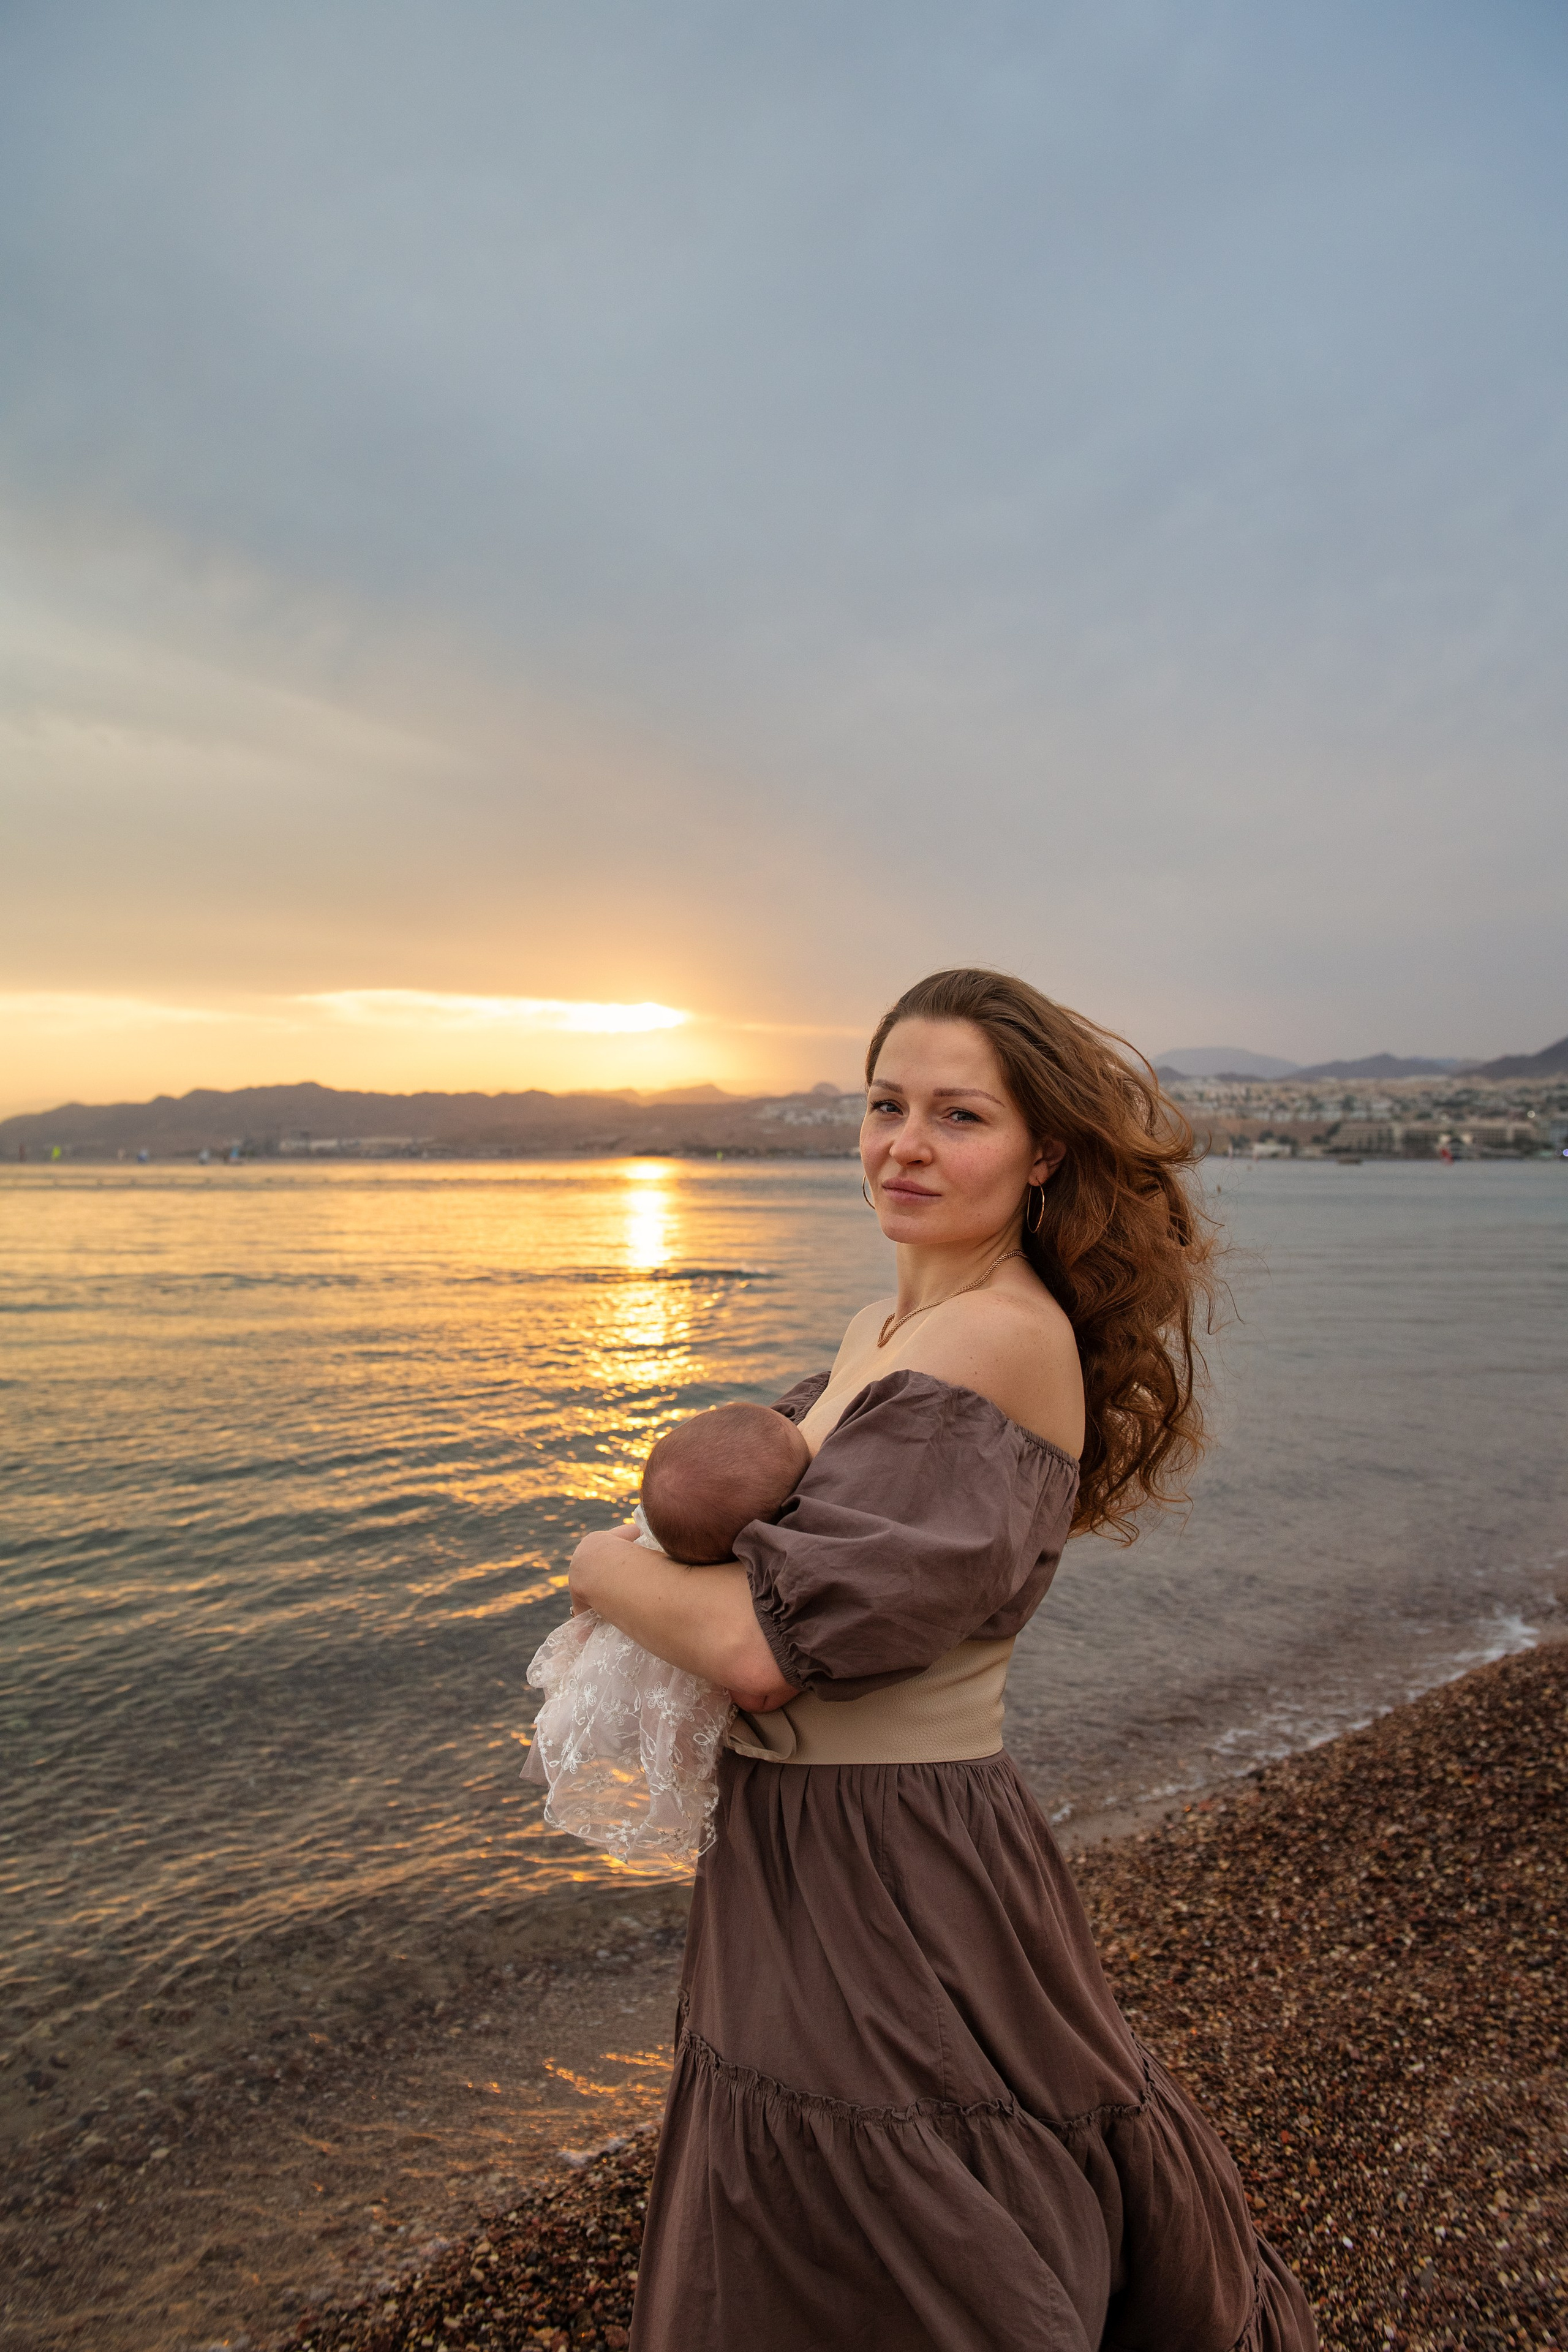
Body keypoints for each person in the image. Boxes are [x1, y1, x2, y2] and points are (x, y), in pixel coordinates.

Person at [570, 967, 1317, 2351]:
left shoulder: (988, 1337)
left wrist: (593, 1564)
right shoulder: (885, 1330)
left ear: (1042, 1152)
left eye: (956, 1113)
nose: (903, 1143)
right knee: (836, 2199)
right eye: (883, 1103)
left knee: (894, 2217)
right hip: (816, 1838)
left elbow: (758, 1645)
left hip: (884, 1852)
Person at [524, 1405, 810, 1868]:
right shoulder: (747, 1587)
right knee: (696, 1727)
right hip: (683, 1665)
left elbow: (611, 1551)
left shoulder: (646, 1541)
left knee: (668, 1733)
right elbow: (759, 1692)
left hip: (632, 1649)